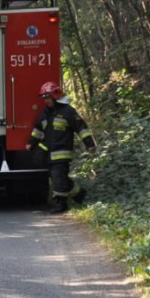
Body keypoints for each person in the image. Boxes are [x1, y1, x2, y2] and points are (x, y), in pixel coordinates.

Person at [26, 81, 96, 213]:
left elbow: (81, 128)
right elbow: (38, 130)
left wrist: (89, 144)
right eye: (44, 98)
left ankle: (61, 204)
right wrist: (31, 143)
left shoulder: (68, 111)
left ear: (55, 96)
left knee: (58, 178)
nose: (46, 101)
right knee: (59, 178)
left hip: (62, 152)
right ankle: (79, 194)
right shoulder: (45, 114)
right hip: (49, 153)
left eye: (47, 98)